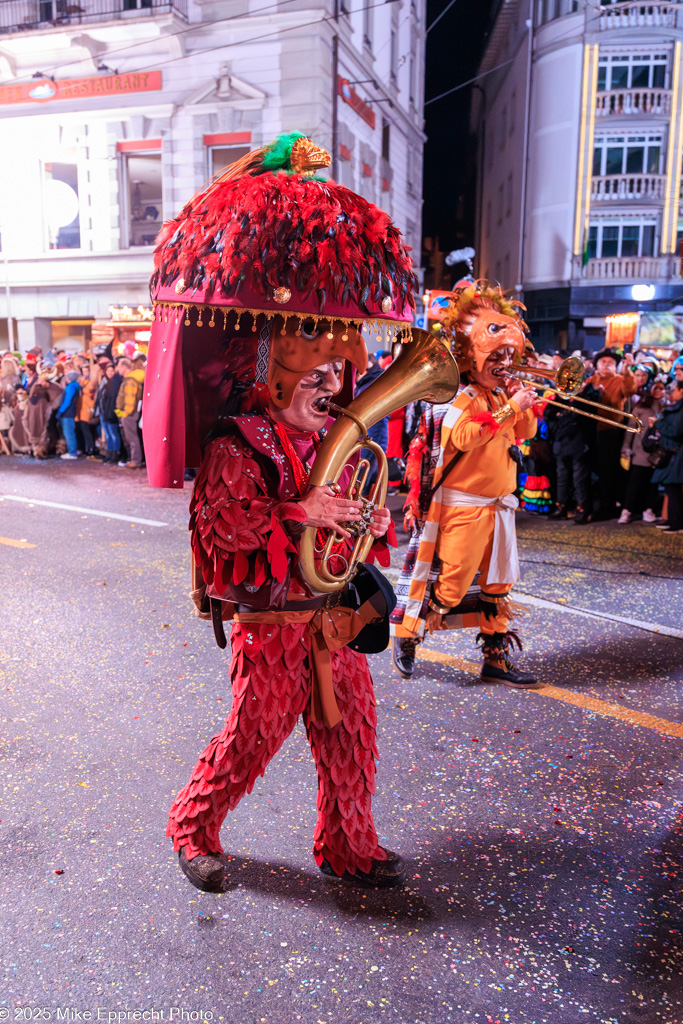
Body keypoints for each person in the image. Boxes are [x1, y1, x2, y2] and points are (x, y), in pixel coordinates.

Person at [146, 132, 419, 893]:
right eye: (311, 367)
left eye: (337, 369)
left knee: (351, 738)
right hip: (271, 627)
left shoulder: (341, 438)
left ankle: (348, 846)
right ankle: (192, 828)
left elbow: (358, 533)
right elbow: (223, 529)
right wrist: (299, 509)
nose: (329, 382)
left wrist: (364, 523)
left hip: (333, 616)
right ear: (266, 368)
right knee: (251, 739)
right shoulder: (240, 442)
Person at [391, 281, 540, 686]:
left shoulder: (498, 397)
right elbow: (462, 437)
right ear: (472, 355)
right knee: (451, 586)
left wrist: (517, 402)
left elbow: (525, 430)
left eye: (510, 355)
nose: (505, 362)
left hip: (499, 506)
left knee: (497, 585)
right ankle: (407, 634)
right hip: (463, 507)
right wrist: (510, 406)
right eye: (497, 355)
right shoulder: (464, 396)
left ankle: (495, 659)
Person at [588, 348, 636, 519]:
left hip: (610, 431)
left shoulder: (620, 380)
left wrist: (628, 368)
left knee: (608, 471)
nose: (607, 364)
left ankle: (607, 506)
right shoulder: (592, 379)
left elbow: (630, 389)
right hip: (590, 429)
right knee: (594, 469)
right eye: (603, 362)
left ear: (616, 366)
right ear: (597, 366)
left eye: (611, 362)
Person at [619, 377, 665, 523]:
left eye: (662, 388)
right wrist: (626, 447)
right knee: (636, 481)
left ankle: (648, 509)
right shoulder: (641, 406)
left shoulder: (668, 407)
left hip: (658, 451)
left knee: (652, 483)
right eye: (656, 388)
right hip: (639, 449)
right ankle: (627, 510)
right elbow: (630, 430)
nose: (659, 391)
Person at [650, 380, 683, 533]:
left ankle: (676, 523)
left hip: (677, 453)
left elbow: (675, 431)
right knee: (671, 488)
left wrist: (658, 423)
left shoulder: (681, 409)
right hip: (674, 452)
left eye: (674, 390)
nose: (671, 392)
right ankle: (672, 520)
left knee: (673, 488)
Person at [115, 356, 145, 468]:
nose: (117, 368)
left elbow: (130, 401)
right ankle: (134, 459)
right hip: (130, 414)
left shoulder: (130, 380)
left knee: (132, 438)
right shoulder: (130, 379)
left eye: (118, 366)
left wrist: (125, 414)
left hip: (130, 415)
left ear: (124, 367)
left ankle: (135, 460)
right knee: (132, 437)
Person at [56, 369, 81, 459]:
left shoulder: (71, 387)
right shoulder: (75, 386)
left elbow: (67, 401)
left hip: (68, 413)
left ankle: (72, 452)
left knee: (68, 433)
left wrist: (60, 411)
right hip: (70, 412)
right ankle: (73, 450)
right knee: (70, 432)